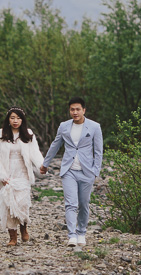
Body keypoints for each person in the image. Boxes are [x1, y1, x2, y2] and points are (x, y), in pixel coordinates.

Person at [40, 97, 103, 247]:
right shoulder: (64, 126)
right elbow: (55, 145)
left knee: (84, 204)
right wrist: (45, 163)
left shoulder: (94, 127)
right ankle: (72, 235)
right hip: (68, 170)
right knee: (71, 204)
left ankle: (81, 232)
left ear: (84, 110)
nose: (75, 112)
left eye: (78, 109)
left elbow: (99, 151)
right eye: (72, 109)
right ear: (69, 110)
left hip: (87, 171)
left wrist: (96, 171)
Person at [0, 107, 45, 246]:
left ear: (23, 120)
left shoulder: (28, 134)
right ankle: (12, 237)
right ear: (8, 119)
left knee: (22, 203)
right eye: (13, 118)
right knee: (8, 205)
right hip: (7, 172)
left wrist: (41, 166)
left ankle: (23, 228)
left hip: (23, 173)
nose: (15, 121)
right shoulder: (0, 134)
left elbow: (35, 153)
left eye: (18, 118)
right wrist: (1, 175)